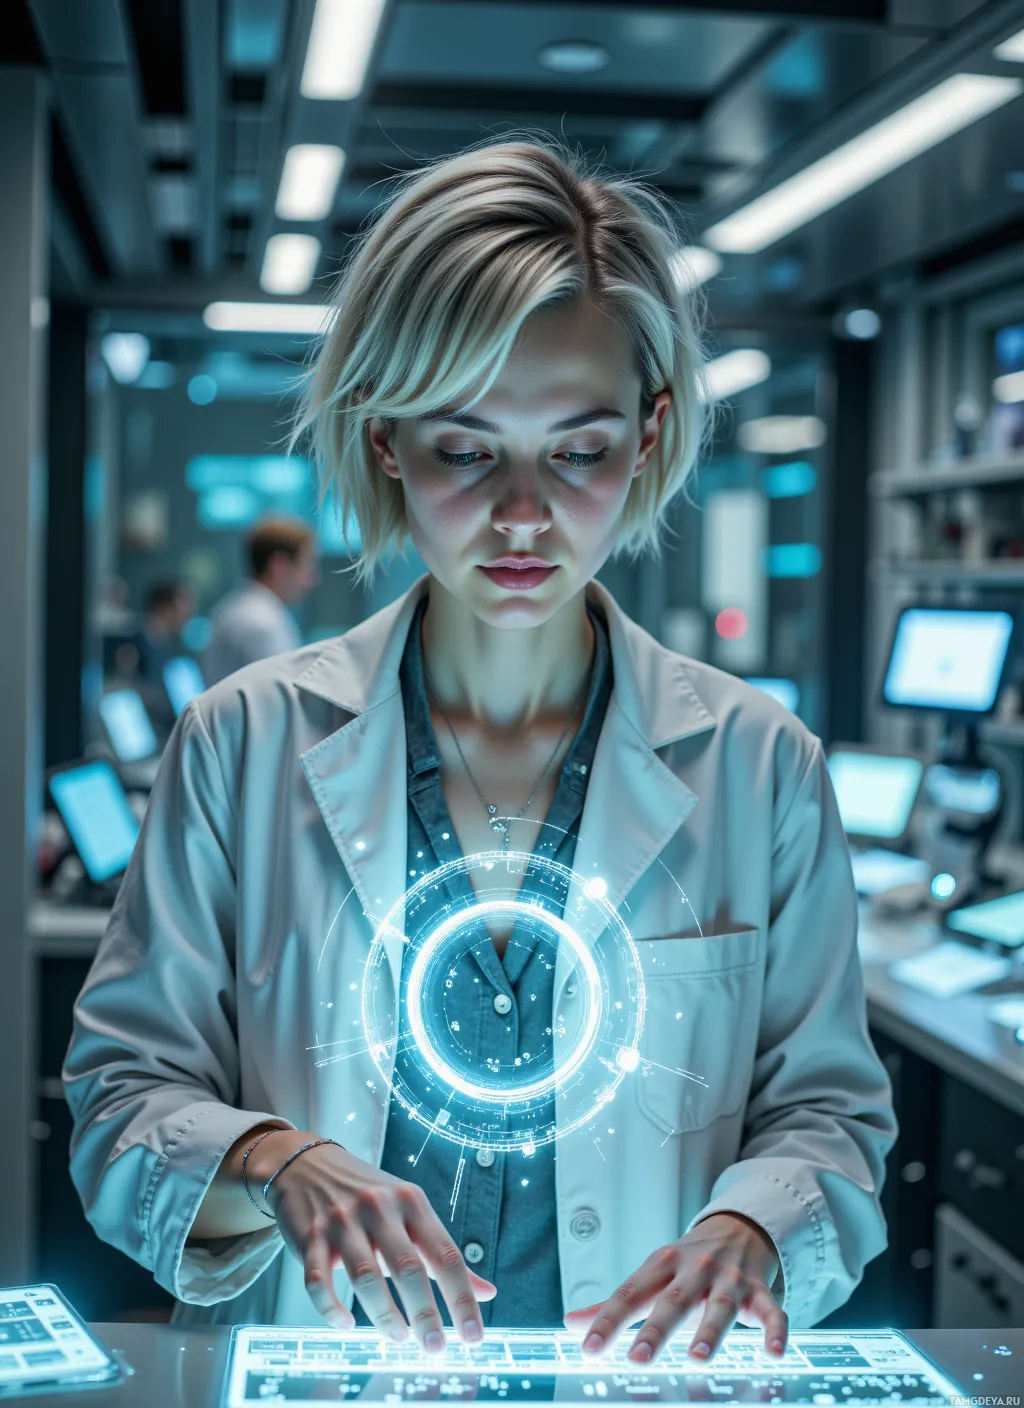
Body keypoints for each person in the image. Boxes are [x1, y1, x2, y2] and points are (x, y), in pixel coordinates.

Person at [64, 140, 896, 1363]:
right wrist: (274, 1161)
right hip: (324, 1370)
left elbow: (829, 1117)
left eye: (578, 449)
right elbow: (118, 1107)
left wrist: (754, 1230)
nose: (522, 514)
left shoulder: (759, 763)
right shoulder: (242, 741)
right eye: (465, 448)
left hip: (638, 1381)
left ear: (650, 434)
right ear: (386, 438)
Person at [202, 516, 319, 684]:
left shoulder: (236, 608)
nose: (312, 581)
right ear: (279, 565)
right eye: (306, 566)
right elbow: (281, 701)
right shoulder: (262, 624)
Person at [131, 579, 195, 683]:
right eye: (183, 602)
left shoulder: (176, 650)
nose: (189, 611)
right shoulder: (132, 649)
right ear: (163, 607)